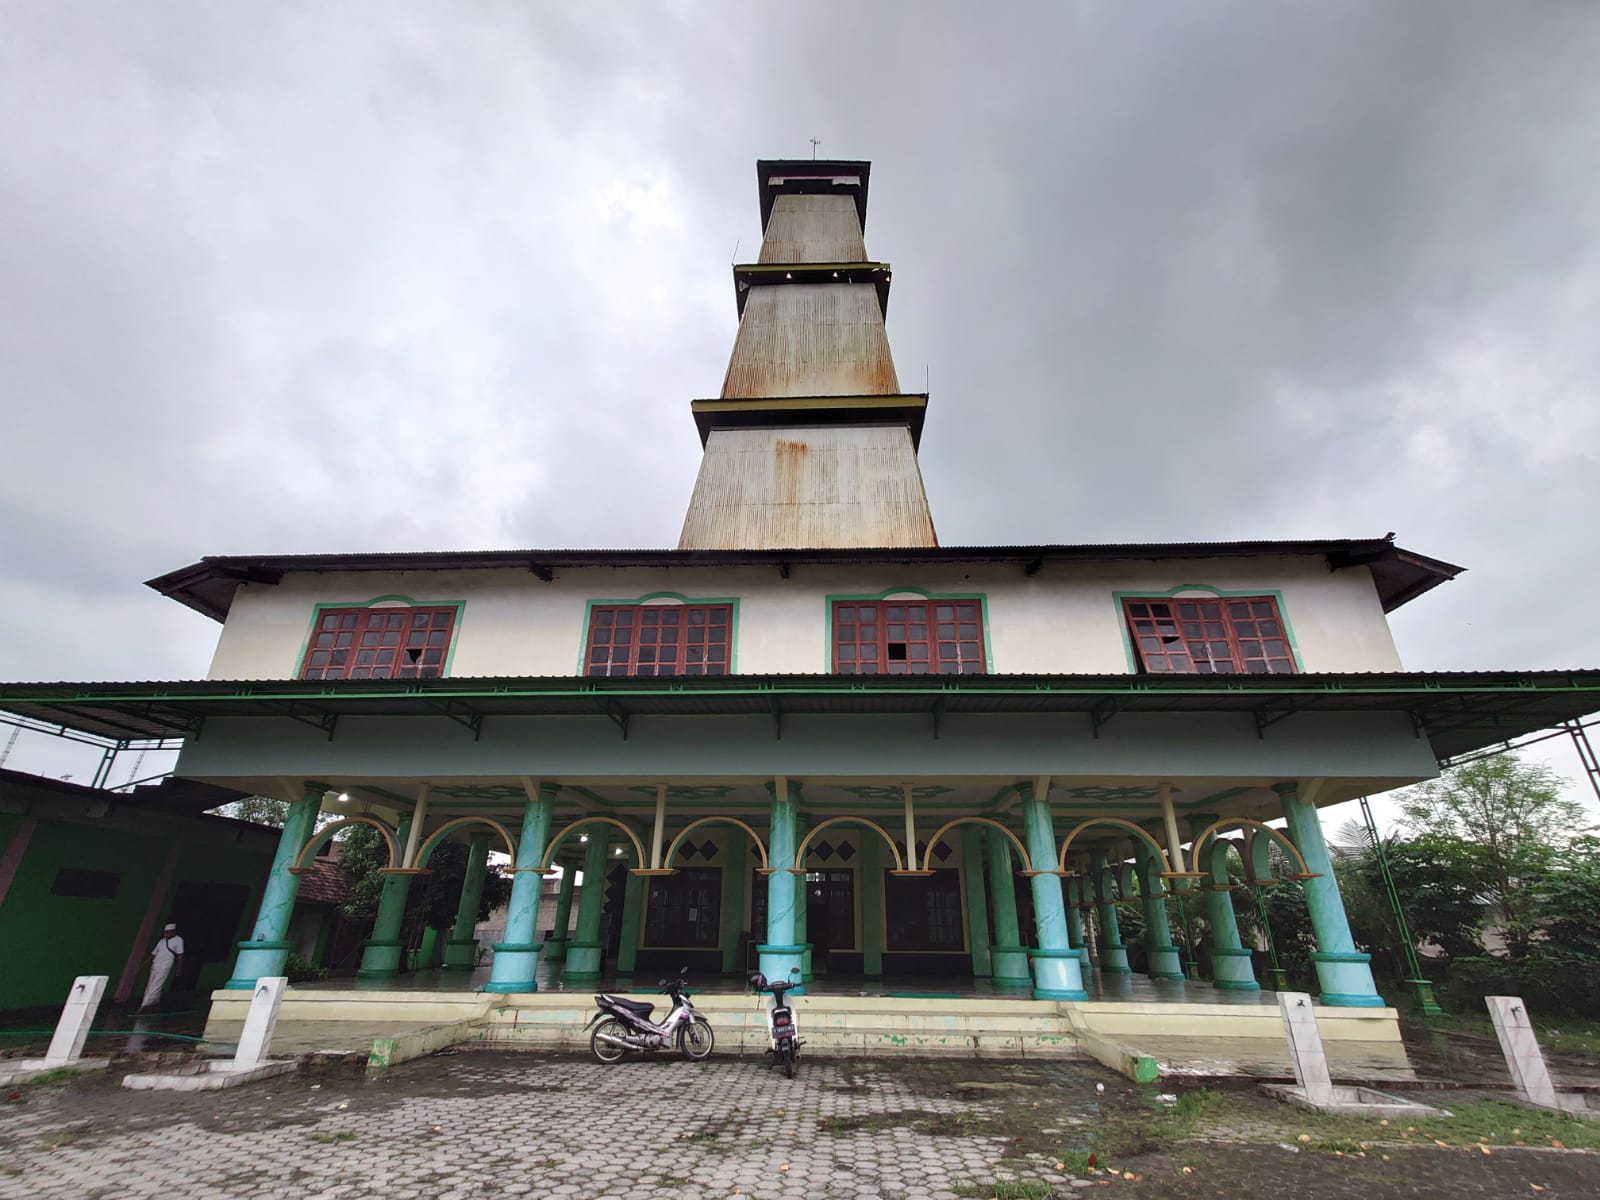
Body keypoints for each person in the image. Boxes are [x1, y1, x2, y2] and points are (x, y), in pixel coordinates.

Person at [140, 922, 185, 1011]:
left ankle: (144, 1006)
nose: (166, 934)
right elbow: (154, 953)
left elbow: (180, 954)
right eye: (165, 932)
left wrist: (179, 968)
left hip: (167, 963)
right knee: (150, 983)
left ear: (173, 932)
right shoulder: (161, 941)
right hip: (156, 963)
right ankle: (152, 1002)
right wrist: (145, 964)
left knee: (158, 983)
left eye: (168, 932)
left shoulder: (178, 940)